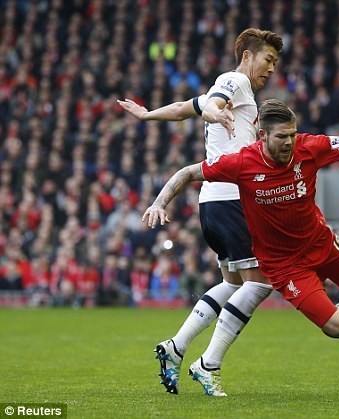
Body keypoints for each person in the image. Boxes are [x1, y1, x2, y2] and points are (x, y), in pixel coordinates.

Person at [142, 99, 339, 393]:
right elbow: (187, 172)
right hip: (283, 265)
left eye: (293, 134)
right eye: (281, 136)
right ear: (263, 136)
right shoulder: (242, 163)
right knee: (336, 330)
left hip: (319, 242)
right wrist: (159, 202)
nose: (290, 142)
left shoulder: (309, 147)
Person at [118, 28, 284, 395]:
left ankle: (175, 347)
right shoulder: (234, 80)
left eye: (275, 62)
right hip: (231, 198)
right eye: (268, 59)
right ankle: (209, 364)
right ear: (247, 55)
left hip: (212, 200)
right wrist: (214, 112)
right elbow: (211, 106)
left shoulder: (235, 92)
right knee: (261, 283)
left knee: (233, 283)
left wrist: (146, 116)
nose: (271, 68)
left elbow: (183, 109)